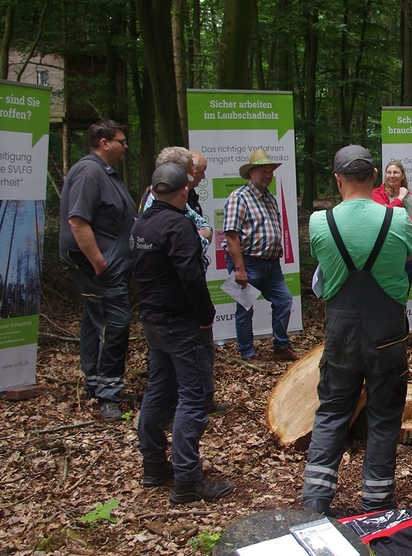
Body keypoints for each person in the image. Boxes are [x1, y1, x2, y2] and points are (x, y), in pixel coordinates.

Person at [302, 145, 412, 515]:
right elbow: (406, 261)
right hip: (388, 332)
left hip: (341, 330)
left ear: (337, 179)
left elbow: (323, 268)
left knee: (332, 411)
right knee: (384, 414)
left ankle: (315, 500)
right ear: (375, 175)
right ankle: (377, 501)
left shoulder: (320, 222)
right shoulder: (397, 218)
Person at [131, 163, 233, 504]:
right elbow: (191, 277)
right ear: (184, 191)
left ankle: (154, 466)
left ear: (153, 189)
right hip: (181, 322)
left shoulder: (141, 224)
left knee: (158, 390)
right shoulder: (179, 226)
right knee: (192, 396)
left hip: (152, 319)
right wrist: (205, 316)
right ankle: (188, 480)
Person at [58, 119, 136, 422]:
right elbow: (77, 221)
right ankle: (108, 394)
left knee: (95, 318)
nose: (125, 146)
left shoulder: (105, 173)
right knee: (115, 322)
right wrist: (100, 263)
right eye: (121, 141)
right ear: (104, 143)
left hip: (109, 265)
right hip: (99, 267)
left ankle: (94, 381)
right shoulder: (89, 172)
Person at [222, 149, 299, 362]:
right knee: (245, 308)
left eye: (270, 171)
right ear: (251, 173)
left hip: (271, 264)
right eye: (263, 171)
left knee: (284, 300)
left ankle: (281, 347)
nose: (267, 175)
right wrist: (239, 268)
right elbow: (231, 235)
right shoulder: (239, 197)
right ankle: (247, 352)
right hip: (247, 262)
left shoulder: (270, 198)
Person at [139, 147, 213, 260]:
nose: (193, 175)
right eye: (191, 171)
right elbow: (188, 249)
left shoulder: (179, 201)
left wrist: (194, 236)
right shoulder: (153, 207)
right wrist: (197, 236)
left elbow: (205, 227)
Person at [372, 160, 412, 283]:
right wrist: (400, 198)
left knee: (405, 291)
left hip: (409, 255)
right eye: (388, 172)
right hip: (387, 253)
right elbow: (385, 218)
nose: (391, 175)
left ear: (403, 175)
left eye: (396, 172)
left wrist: (395, 215)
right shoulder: (377, 194)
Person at [187, 150, 208, 215]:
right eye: (201, 172)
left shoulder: (192, 195)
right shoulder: (176, 197)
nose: (203, 177)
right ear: (190, 171)